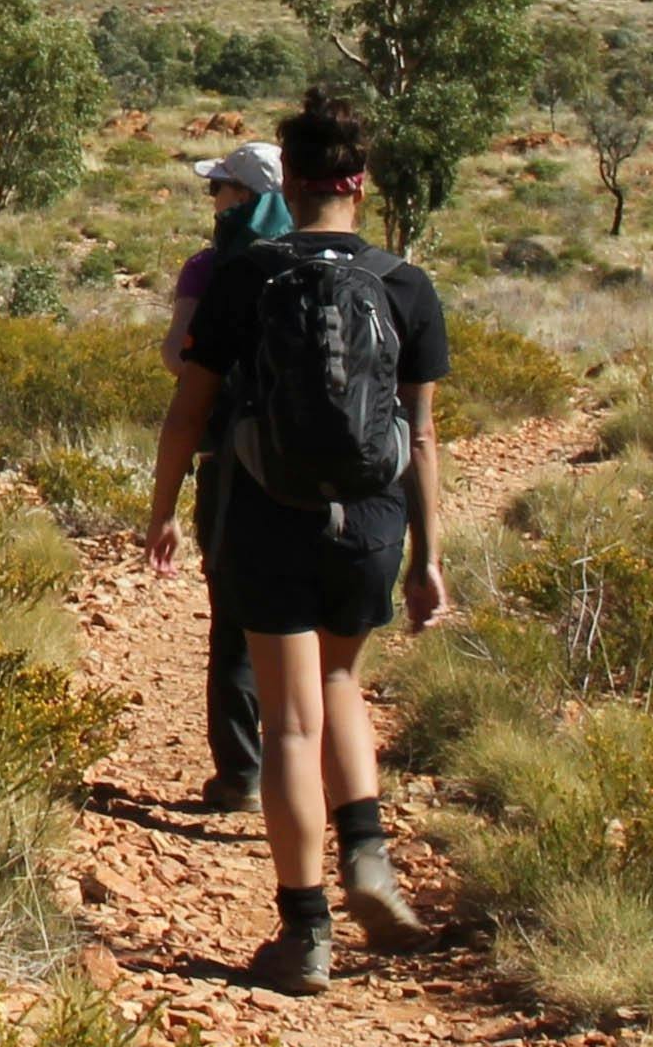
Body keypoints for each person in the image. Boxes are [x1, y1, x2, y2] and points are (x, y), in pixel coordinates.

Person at [140, 97, 447, 989]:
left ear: (294, 180)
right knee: (342, 681)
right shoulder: (405, 284)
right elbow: (420, 437)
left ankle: (304, 932)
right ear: (359, 181)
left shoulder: (246, 275)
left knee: (288, 722)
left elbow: (187, 410)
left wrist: (163, 508)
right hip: (371, 521)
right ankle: (370, 859)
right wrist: (428, 557)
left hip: (268, 514)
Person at [163, 141, 287, 814]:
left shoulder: (212, 269)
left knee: (235, 625)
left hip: (233, 468)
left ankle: (241, 773)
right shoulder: (333, 262)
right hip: (325, 477)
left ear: (244, 196)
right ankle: (318, 777)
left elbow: (175, 357)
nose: (213, 201)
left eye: (220, 189)